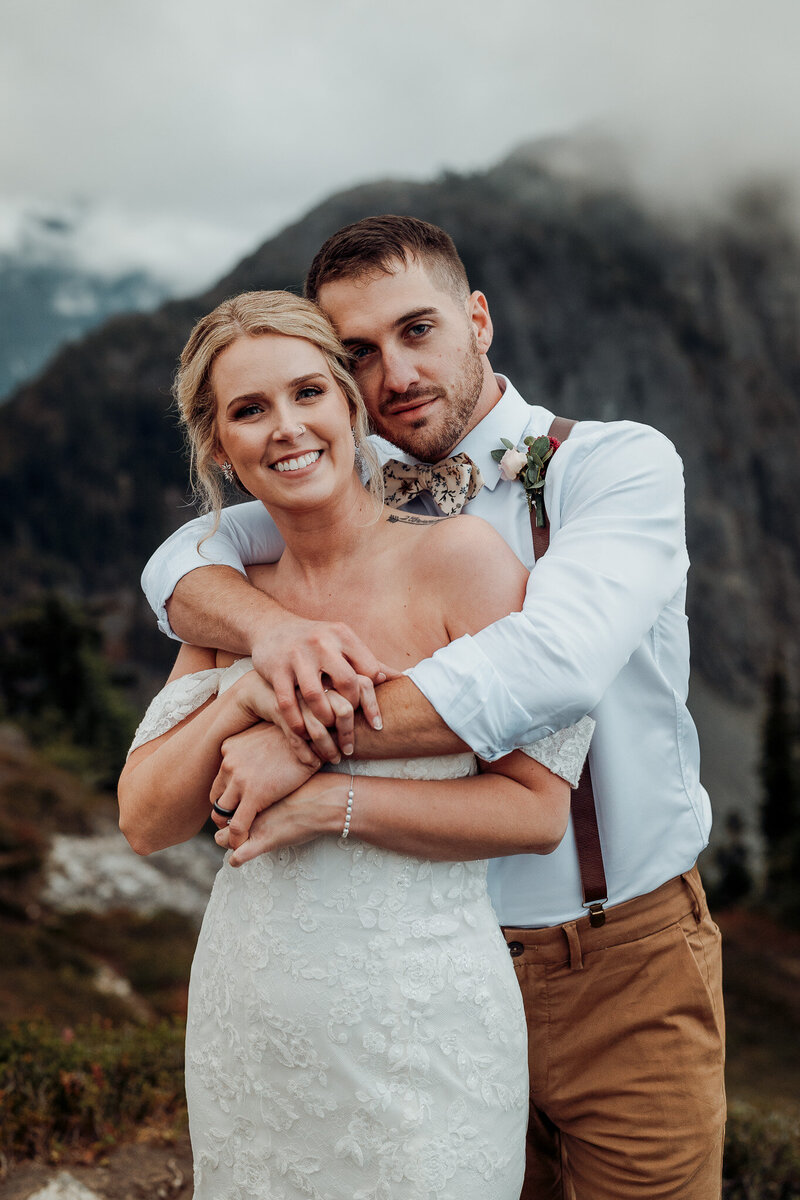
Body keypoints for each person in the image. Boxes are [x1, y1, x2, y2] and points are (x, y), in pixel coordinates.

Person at [142, 217, 726, 1198]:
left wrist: (306, 743)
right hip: (423, 968)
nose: (395, 373)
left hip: (618, 958)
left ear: (476, 320)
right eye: (358, 353)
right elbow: (179, 565)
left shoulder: (606, 467)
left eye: (417, 330)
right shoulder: (334, 481)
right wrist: (273, 635)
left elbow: (553, 664)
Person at [119, 289, 594, 1199]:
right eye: (250, 410)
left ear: (351, 407)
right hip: (249, 1023)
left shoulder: (463, 562)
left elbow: (535, 811)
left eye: (308, 393)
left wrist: (320, 804)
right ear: (219, 444)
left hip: (420, 1026)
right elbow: (145, 821)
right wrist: (243, 696)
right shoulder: (228, 601)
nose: (287, 427)